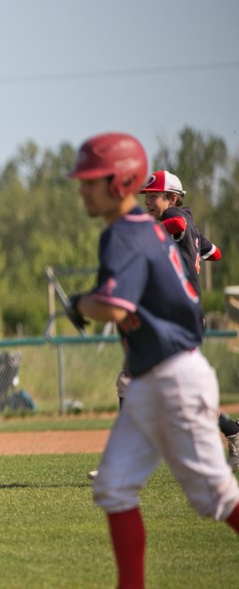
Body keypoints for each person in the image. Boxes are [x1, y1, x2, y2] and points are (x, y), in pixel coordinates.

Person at [67, 132, 239, 588]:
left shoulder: (126, 233)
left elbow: (115, 307)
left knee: (216, 498)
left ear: (117, 182)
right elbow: (207, 250)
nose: (82, 189)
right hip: (154, 374)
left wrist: (80, 303)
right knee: (114, 486)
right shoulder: (146, 228)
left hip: (173, 375)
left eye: (90, 180)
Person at [139, 169, 239, 470]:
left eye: (154, 196)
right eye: (146, 196)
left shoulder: (177, 218)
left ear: (172, 197)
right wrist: (195, 248)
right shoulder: (185, 228)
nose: (148, 202)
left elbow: (178, 222)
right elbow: (216, 252)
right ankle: (232, 431)